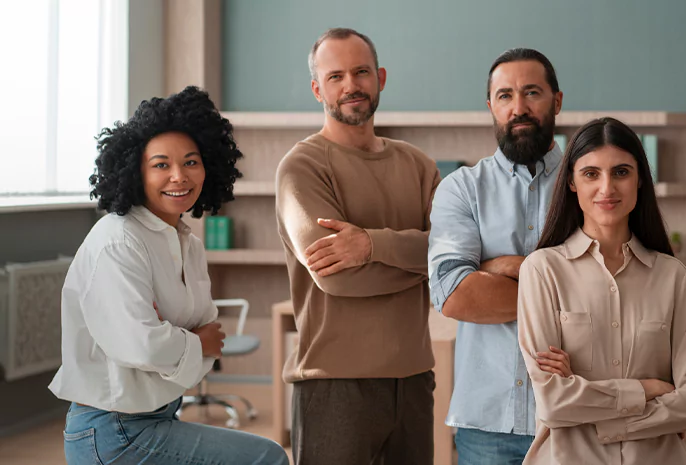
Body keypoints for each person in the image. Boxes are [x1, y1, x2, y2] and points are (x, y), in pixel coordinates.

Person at [49, 86, 290, 465]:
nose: (179, 176)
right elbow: (143, 345)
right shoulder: (119, 241)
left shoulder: (185, 241)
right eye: (161, 165)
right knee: (267, 458)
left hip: (156, 418)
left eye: (191, 162)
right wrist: (195, 343)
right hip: (115, 432)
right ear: (135, 172)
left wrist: (183, 340)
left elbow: (205, 325)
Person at [275, 28, 439, 465]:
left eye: (361, 72)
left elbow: (451, 258)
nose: (351, 85)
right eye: (336, 76)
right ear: (317, 89)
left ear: (380, 78)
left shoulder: (419, 165)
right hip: (333, 384)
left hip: (415, 380)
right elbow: (339, 278)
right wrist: (417, 255)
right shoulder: (302, 166)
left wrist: (370, 245)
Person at [517, 117, 686, 464]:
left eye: (621, 172)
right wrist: (646, 391)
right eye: (591, 173)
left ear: (639, 181)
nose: (607, 188)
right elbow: (554, 403)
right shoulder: (542, 271)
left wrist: (589, 407)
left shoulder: (673, 276)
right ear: (572, 182)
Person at [427, 48, 563, 464]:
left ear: (557, 101)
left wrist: (497, 267)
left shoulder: (588, 182)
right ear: (491, 106)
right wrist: (560, 289)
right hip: (487, 423)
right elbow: (455, 297)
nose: (518, 108)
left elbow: (612, 285)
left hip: (574, 414)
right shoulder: (461, 188)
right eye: (505, 96)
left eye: (532, 93)